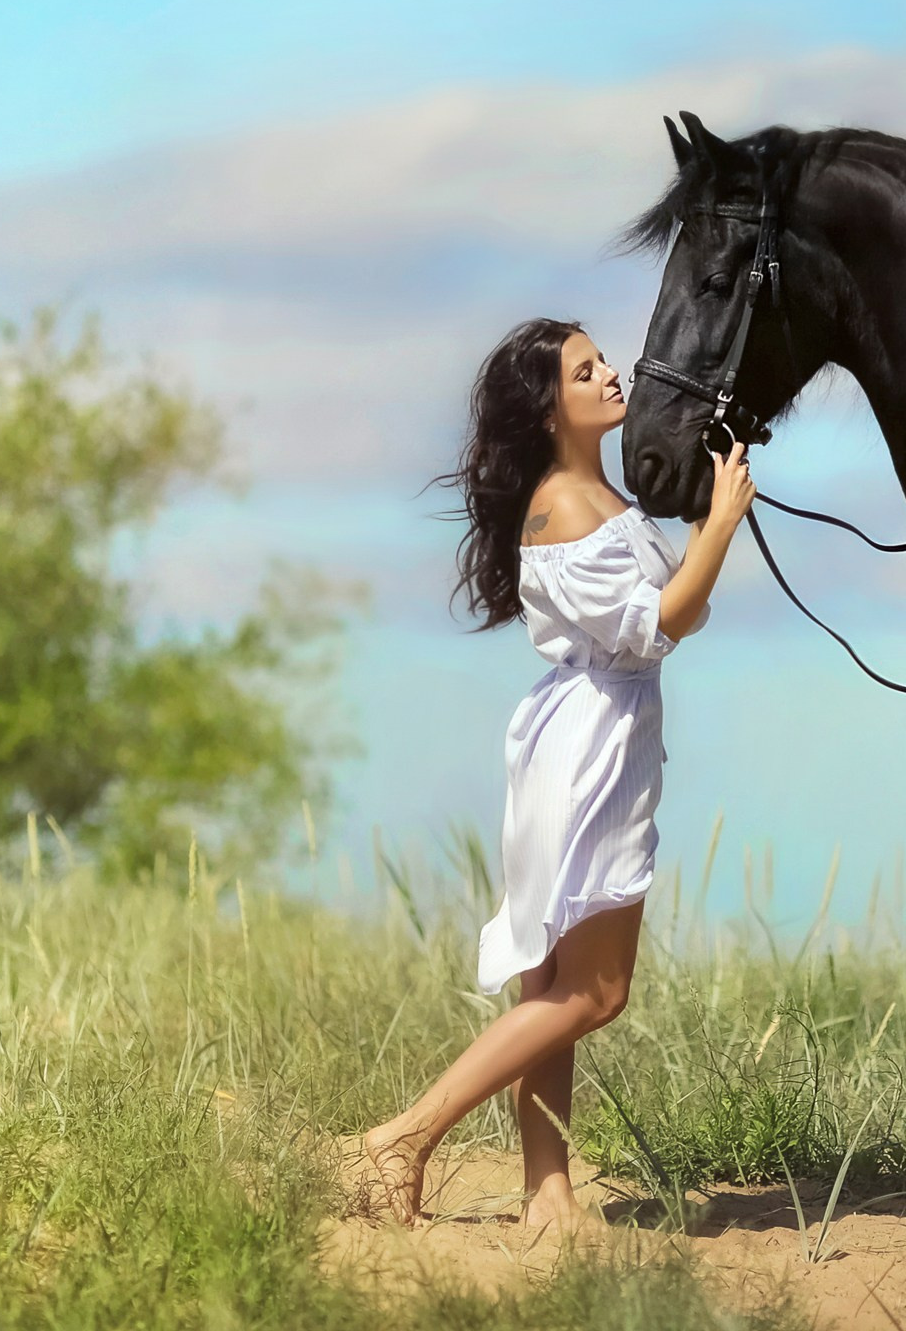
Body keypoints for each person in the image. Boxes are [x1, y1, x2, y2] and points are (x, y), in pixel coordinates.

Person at [358, 317, 753, 1229]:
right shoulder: (569, 509)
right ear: (548, 409)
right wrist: (722, 526)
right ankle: (406, 1136)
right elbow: (664, 624)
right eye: (586, 370)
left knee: (549, 988)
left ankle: (549, 1198)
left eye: (601, 360)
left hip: (581, 736)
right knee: (596, 992)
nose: (611, 374)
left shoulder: (590, 497)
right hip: (593, 749)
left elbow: (660, 603)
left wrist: (703, 520)